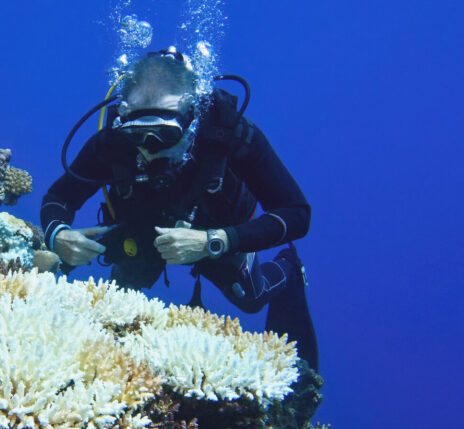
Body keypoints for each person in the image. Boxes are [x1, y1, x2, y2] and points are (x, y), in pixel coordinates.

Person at [40, 48, 318, 370]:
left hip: (215, 229)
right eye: (137, 132)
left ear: (193, 114)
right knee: (119, 295)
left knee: (250, 298)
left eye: (166, 134)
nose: (150, 147)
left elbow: (297, 213)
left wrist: (212, 241)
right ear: (124, 116)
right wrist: (57, 234)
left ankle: (290, 270)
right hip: (145, 227)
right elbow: (59, 198)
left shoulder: (230, 133)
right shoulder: (112, 143)